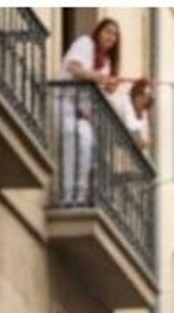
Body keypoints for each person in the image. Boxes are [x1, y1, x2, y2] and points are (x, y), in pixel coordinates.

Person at [58, 17, 124, 204]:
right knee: (72, 141)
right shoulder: (85, 43)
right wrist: (99, 78)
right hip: (66, 102)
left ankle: (78, 196)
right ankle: (67, 196)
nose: (111, 37)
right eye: (108, 31)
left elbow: (100, 92)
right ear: (98, 32)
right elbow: (73, 67)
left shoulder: (107, 64)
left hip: (83, 113)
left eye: (115, 35)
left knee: (86, 148)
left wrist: (109, 87)